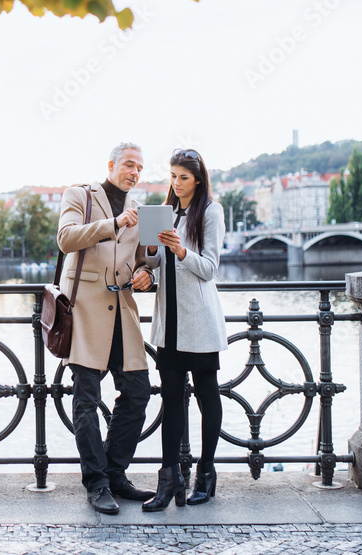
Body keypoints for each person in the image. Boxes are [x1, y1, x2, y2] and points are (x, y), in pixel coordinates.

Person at [56, 142, 157, 515]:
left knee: (138, 391)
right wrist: (113, 223)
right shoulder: (80, 195)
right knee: (86, 399)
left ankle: (115, 473)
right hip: (84, 311)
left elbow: (143, 258)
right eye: (129, 165)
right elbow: (66, 239)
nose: (134, 172)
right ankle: (95, 483)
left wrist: (147, 272)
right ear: (112, 165)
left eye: (140, 168)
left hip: (123, 311)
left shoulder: (141, 211)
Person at [139, 148, 227, 512]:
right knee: (172, 400)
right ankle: (169, 478)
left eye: (183, 177)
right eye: (172, 176)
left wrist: (180, 252)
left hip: (200, 320)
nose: (176, 183)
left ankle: (206, 472)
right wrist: (150, 249)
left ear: (198, 179)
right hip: (169, 322)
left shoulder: (210, 211)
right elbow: (155, 262)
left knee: (207, 396)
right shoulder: (166, 211)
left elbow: (210, 268)